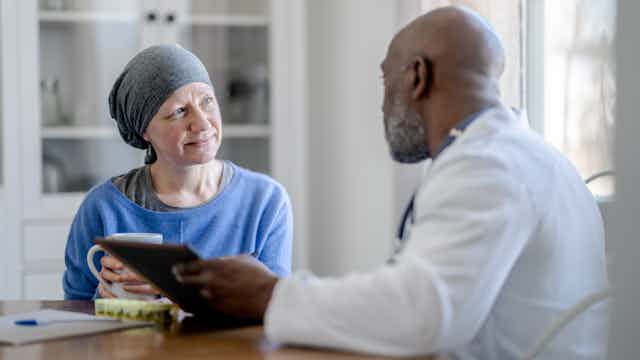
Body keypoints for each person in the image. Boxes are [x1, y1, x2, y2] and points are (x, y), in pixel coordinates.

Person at [172, 6, 609, 359]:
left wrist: (269, 294)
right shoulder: (524, 154)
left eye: (386, 80)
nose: (382, 105)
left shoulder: (488, 164)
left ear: (417, 76)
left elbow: (423, 313)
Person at [63, 44, 292, 300]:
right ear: (144, 131)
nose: (203, 123)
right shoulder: (103, 207)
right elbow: (76, 308)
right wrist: (106, 297)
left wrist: (174, 293)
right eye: (179, 112)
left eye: (207, 101)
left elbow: (273, 309)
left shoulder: (266, 201)